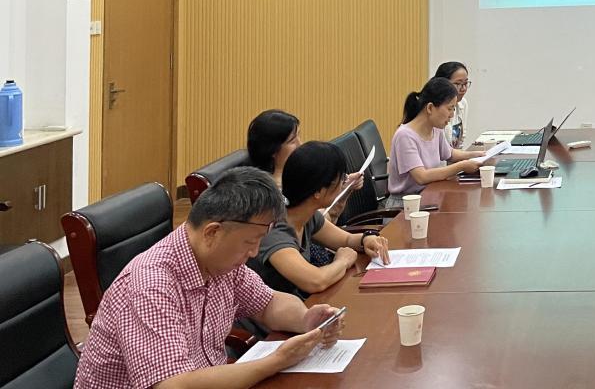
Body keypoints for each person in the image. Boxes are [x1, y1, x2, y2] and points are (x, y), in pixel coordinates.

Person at [74, 167, 344, 389]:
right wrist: (276, 361)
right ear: (212, 232)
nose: (254, 252)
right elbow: (173, 385)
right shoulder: (151, 284)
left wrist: (306, 320)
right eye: (250, 242)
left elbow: (268, 304)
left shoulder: (221, 261)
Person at [248, 141, 391, 299]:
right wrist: (343, 261)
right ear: (318, 191)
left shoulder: (306, 214)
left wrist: (367, 239)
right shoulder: (274, 230)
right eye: (341, 179)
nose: (344, 183)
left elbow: (346, 239)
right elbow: (316, 281)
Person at [387, 76, 487, 203]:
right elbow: (422, 176)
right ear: (430, 108)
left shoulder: (436, 128)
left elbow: (449, 154)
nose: (452, 115)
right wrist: (462, 166)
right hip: (406, 204)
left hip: (431, 194)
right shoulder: (405, 136)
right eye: (450, 108)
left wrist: (476, 155)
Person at [433, 61, 471, 147]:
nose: (463, 88)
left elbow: (461, 141)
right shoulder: (435, 108)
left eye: (465, 83)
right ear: (443, 84)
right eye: (458, 84)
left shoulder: (462, 103)